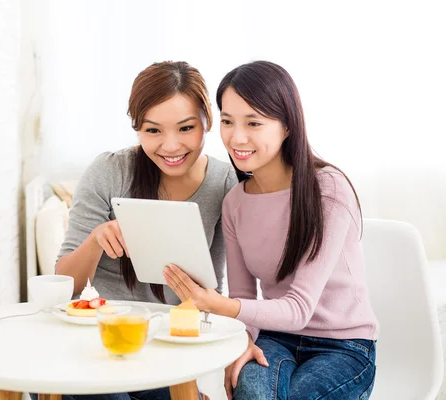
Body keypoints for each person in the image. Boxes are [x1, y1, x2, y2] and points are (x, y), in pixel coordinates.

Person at [162, 61, 379, 400]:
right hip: (276, 338)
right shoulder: (235, 202)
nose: (237, 137)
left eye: (254, 123)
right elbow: (246, 298)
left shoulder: (328, 189)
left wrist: (219, 305)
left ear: (287, 126)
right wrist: (244, 341)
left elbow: (298, 308)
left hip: (343, 346)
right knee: (250, 390)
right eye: (228, 122)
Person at [30, 61, 237, 400]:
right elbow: (66, 283)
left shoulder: (225, 182)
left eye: (186, 128)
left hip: (165, 354)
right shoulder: (110, 171)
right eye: (153, 130)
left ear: (207, 122)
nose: (170, 146)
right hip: (95, 345)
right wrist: (97, 238)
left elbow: (213, 288)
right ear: (137, 128)